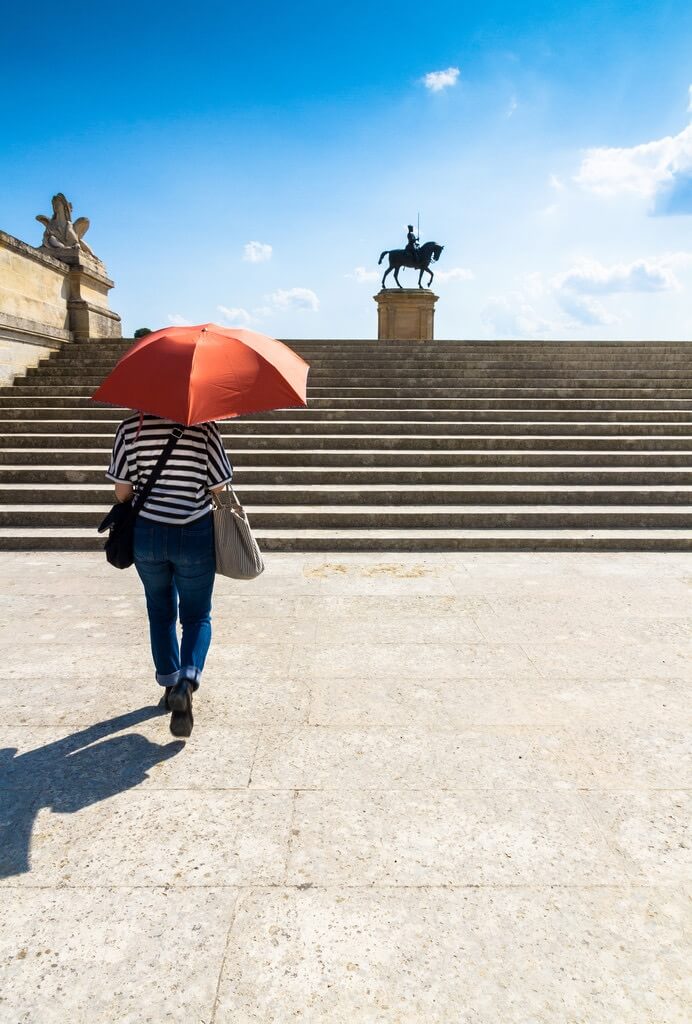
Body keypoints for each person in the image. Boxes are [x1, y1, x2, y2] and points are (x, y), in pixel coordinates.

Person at [106, 413, 233, 737]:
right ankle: (186, 683)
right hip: (194, 533)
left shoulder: (129, 429)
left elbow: (122, 493)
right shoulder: (204, 429)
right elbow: (219, 486)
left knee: (160, 611)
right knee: (197, 615)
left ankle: (169, 685)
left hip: (147, 534)